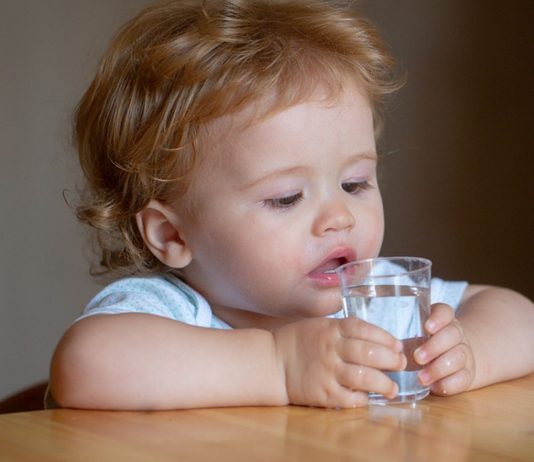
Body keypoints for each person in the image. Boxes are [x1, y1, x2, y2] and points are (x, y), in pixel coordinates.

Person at [49, 0, 534, 410]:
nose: (338, 217)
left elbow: (521, 318)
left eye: (355, 183)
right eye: (287, 198)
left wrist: (471, 350)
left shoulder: (381, 303)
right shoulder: (172, 313)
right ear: (173, 235)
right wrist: (278, 365)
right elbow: (84, 364)